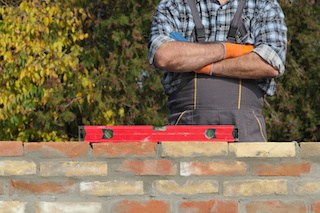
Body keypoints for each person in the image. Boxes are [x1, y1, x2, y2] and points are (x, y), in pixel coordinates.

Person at [148, 0, 287, 142]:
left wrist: (202, 64)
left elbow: (270, 62)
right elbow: (164, 55)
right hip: (185, 136)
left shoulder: (263, 5)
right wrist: (228, 50)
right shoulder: (174, 5)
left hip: (247, 136)